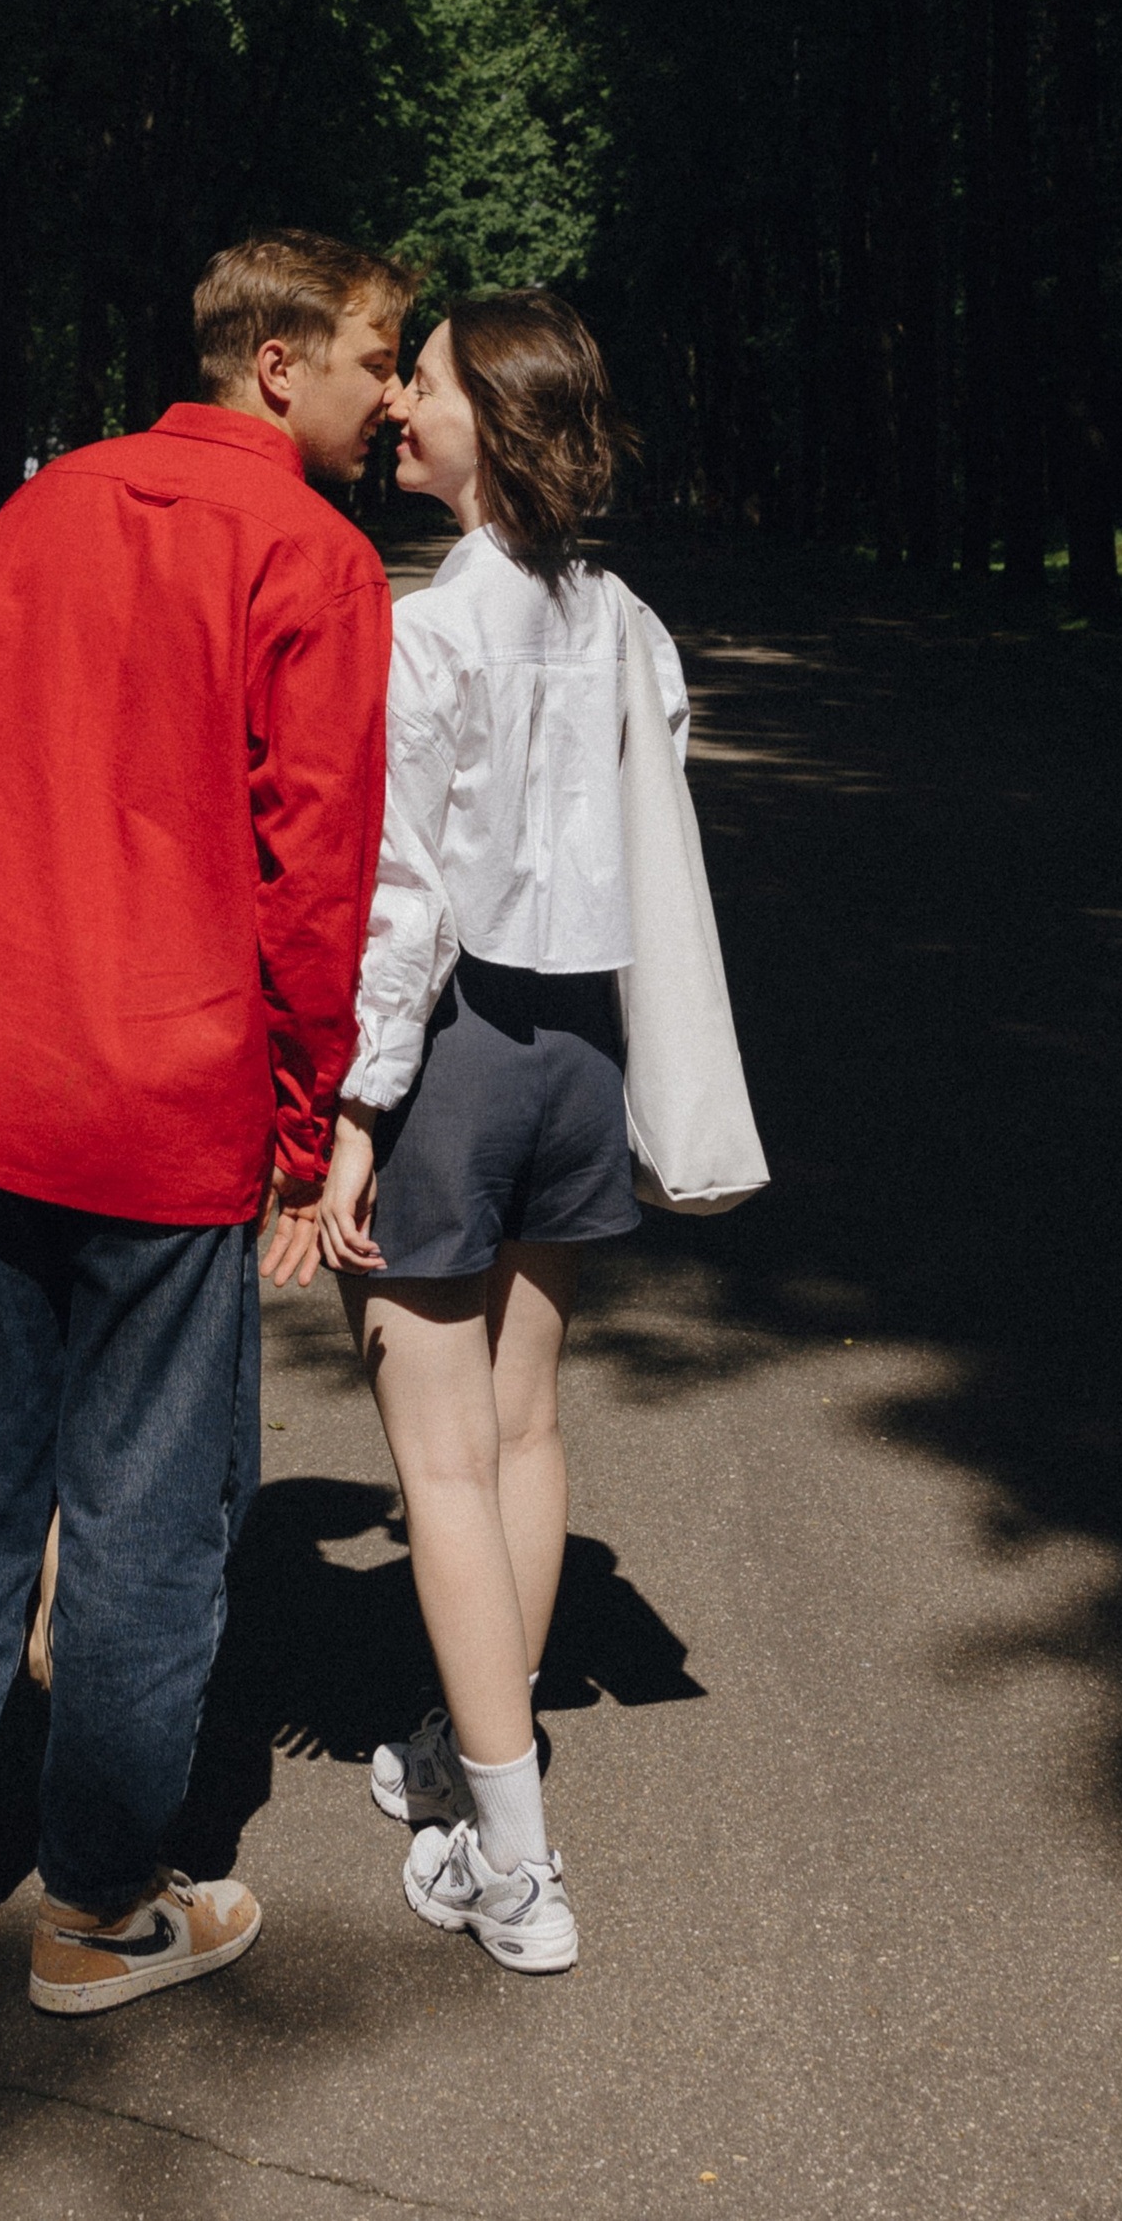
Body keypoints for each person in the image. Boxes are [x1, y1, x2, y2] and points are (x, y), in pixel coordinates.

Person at [0, 231, 407, 2012]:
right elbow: (319, 879)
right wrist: (306, 1130)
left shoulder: (39, 508)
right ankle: (97, 1905)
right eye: (383, 356)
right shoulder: (312, 553)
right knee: (148, 1514)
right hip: (169, 1104)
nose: (395, 397)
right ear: (283, 361)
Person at [318, 291, 690, 1977]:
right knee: (525, 1432)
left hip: (463, 1053)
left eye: (433, 381)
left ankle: (514, 1859)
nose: (401, 401)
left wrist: (354, 1114)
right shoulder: (623, 619)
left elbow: (404, 902)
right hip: (585, 1054)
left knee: (441, 1460)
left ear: (501, 422)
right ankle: (468, 1754)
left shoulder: (432, 628)